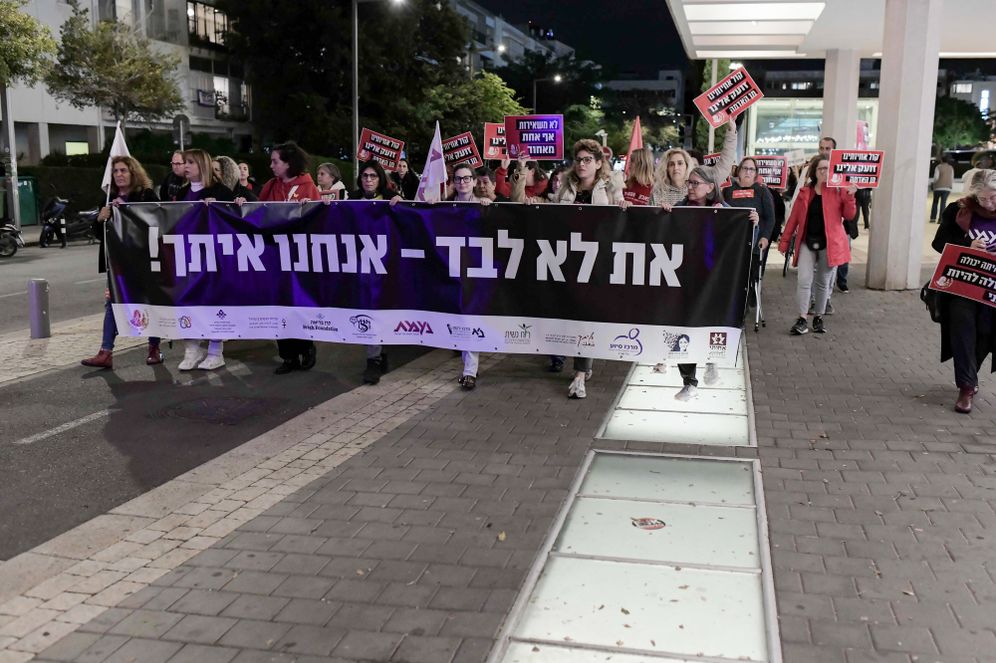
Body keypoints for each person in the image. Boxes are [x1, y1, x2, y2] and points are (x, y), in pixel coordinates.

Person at [515, 139, 624, 399]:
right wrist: (522, 178)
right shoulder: (566, 186)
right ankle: (582, 364)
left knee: (587, 316)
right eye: (579, 160)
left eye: (588, 160)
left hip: (597, 261)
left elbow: (621, 208)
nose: (582, 164)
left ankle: (579, 375)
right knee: (573, 316)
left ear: (598, 163)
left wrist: (624, 207)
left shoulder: (611, 184)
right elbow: (534, 205)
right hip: (568, 261)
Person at [662, 166, 758, 400]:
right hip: (685, 278)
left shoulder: (726, 212)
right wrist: (663, 216)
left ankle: (712, 360)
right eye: (689, 182)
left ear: (710, 187)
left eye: (696, 183)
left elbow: (746, 243)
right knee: (683, 326)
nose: (690, 187)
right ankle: (689, 381)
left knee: (709, 322)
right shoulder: (680, 209)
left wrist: (752, 225)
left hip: (714, 280)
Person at [80, 156, 162, 369]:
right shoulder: (108, 198)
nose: (119, 175)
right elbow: (100, 234)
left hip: (144, 260)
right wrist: (100, 218)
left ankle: (154, 348)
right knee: (112, 303)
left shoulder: (145, 195)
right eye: (115, 171)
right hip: (117, 262)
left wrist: (126, 209)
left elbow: (155, 222)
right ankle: (105, 351)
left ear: (133, 172)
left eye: (123, 170)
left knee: (148, 301)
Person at [931, 169, 996, 413]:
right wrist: (967, 245)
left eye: (994, 197)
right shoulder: (958, 210)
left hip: (992, 290)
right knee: (962, 330)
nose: (989, 204)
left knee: (986, 334)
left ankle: (972, 375)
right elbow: (939, 242)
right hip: (963, 287)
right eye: (984, 198)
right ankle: (966, 387)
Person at [254, 142, 322, 374]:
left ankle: (306, 347)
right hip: (275, 254)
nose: (271, 165)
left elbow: (318, 219)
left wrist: (308, 208)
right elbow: (257, 212)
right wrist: (242, 202)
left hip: (299, 256)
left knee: (298, 304)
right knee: (279, 305)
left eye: (275, 161)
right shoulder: (270, 186)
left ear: (288, 163)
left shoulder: (307, 186)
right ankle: (288, 356)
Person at [777, 155, 857, 336]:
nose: (824, 172)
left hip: (829, 244)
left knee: (823, 282)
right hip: (807, 241)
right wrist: (785, 241)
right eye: (821, 168)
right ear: (814, 171)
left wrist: (850, 196)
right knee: (804, 280)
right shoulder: (805, 192)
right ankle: (802, 318)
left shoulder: (839, 191)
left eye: (828, 168)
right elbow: (794, 219)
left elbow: (849, 215)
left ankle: (818, 317)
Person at [176, 149, 235, 371]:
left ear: (203, 165)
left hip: (213, 257)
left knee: (213, 302)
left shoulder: (220, 191)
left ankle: (215, 351)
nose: (186, 166)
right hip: (188, 255)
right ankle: (192, 349)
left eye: (191, 162)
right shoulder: (182, 193)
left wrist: (221, 206)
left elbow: (234, 218)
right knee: (188, 301)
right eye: (185, 162)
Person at [350, 160, 403, 384]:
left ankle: (380, 353)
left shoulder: (390, 199)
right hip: (362, 265)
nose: (368, 180)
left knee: (384, 309)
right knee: (368, 308)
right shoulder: (351, 200)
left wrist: (402, 204)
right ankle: (374, 358)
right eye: (365, 175)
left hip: (388, 264)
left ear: (380, 179)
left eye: (373, 176)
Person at [447, 164, 493, 389]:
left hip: (476, 270)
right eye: (458, 179)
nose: (462, 182)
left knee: (470, 316)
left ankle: (469, 370)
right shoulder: (445, 206)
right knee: (459, 317)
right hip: (450, 269)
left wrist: (489, 208)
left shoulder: (483, 205)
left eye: (466, 178)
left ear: (474, 182)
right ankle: (468, 365)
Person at [723, 157, 775, 307]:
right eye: (745, 168)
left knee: (748, 278)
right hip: (732, 242)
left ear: (756, 173)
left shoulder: (762, 190)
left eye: (751, 169)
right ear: (739, 171)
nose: (748, 172)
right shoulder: (728, 190)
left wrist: (765, 237)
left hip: (754, 242)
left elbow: (770, 218)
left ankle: (744, 306)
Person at [651, 119, 736, 207]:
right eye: (671, 164)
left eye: (680, 163)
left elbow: (725, 162)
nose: (676, 167)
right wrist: (662, 212)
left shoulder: (701, 177)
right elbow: (651, 215)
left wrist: (731, 131)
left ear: (687, 165)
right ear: (666, 168)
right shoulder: (658, 192)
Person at [930, 154, 955, 223]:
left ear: (941, 160)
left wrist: (933, 183)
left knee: (935, 202)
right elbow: (952, 178)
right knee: (943, 203)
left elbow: (936, 178)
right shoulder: (951, 168)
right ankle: (941, 219)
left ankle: (933, 218)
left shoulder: (938, 167)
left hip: (938, 188)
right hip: (947, 188)